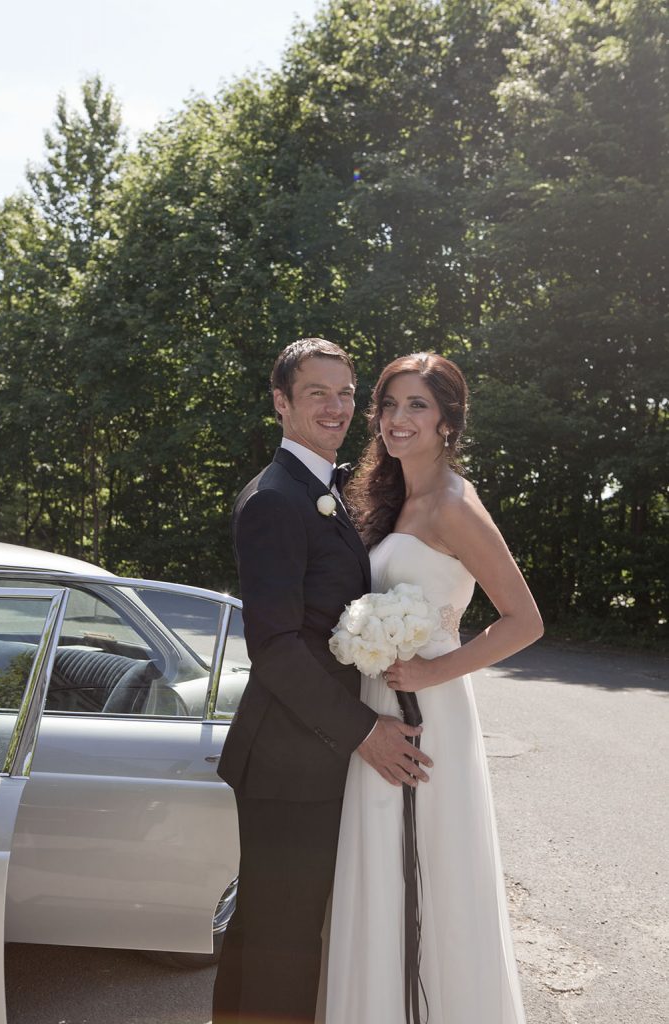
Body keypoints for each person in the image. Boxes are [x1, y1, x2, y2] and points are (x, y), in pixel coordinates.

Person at [211, 338, 432, 1024]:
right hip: (288, 760)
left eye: (345, 393)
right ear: (281, 402)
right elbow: (275, 647)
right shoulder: (275, 499)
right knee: (283, 942)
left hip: (310, 756)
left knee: (270, 931)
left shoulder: (327, 489)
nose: (336, 407)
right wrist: (364, 731)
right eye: (317, 393)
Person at [324, 352, 544, 1024]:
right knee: (377, 865)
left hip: (428, 709)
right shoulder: (391, 497)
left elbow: (525, 621)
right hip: (378, 707)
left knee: (429, 869)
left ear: (448, 420)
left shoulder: (453, 505)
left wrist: (431, 672)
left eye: (416, 405)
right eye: (388, 404)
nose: (397, 418)